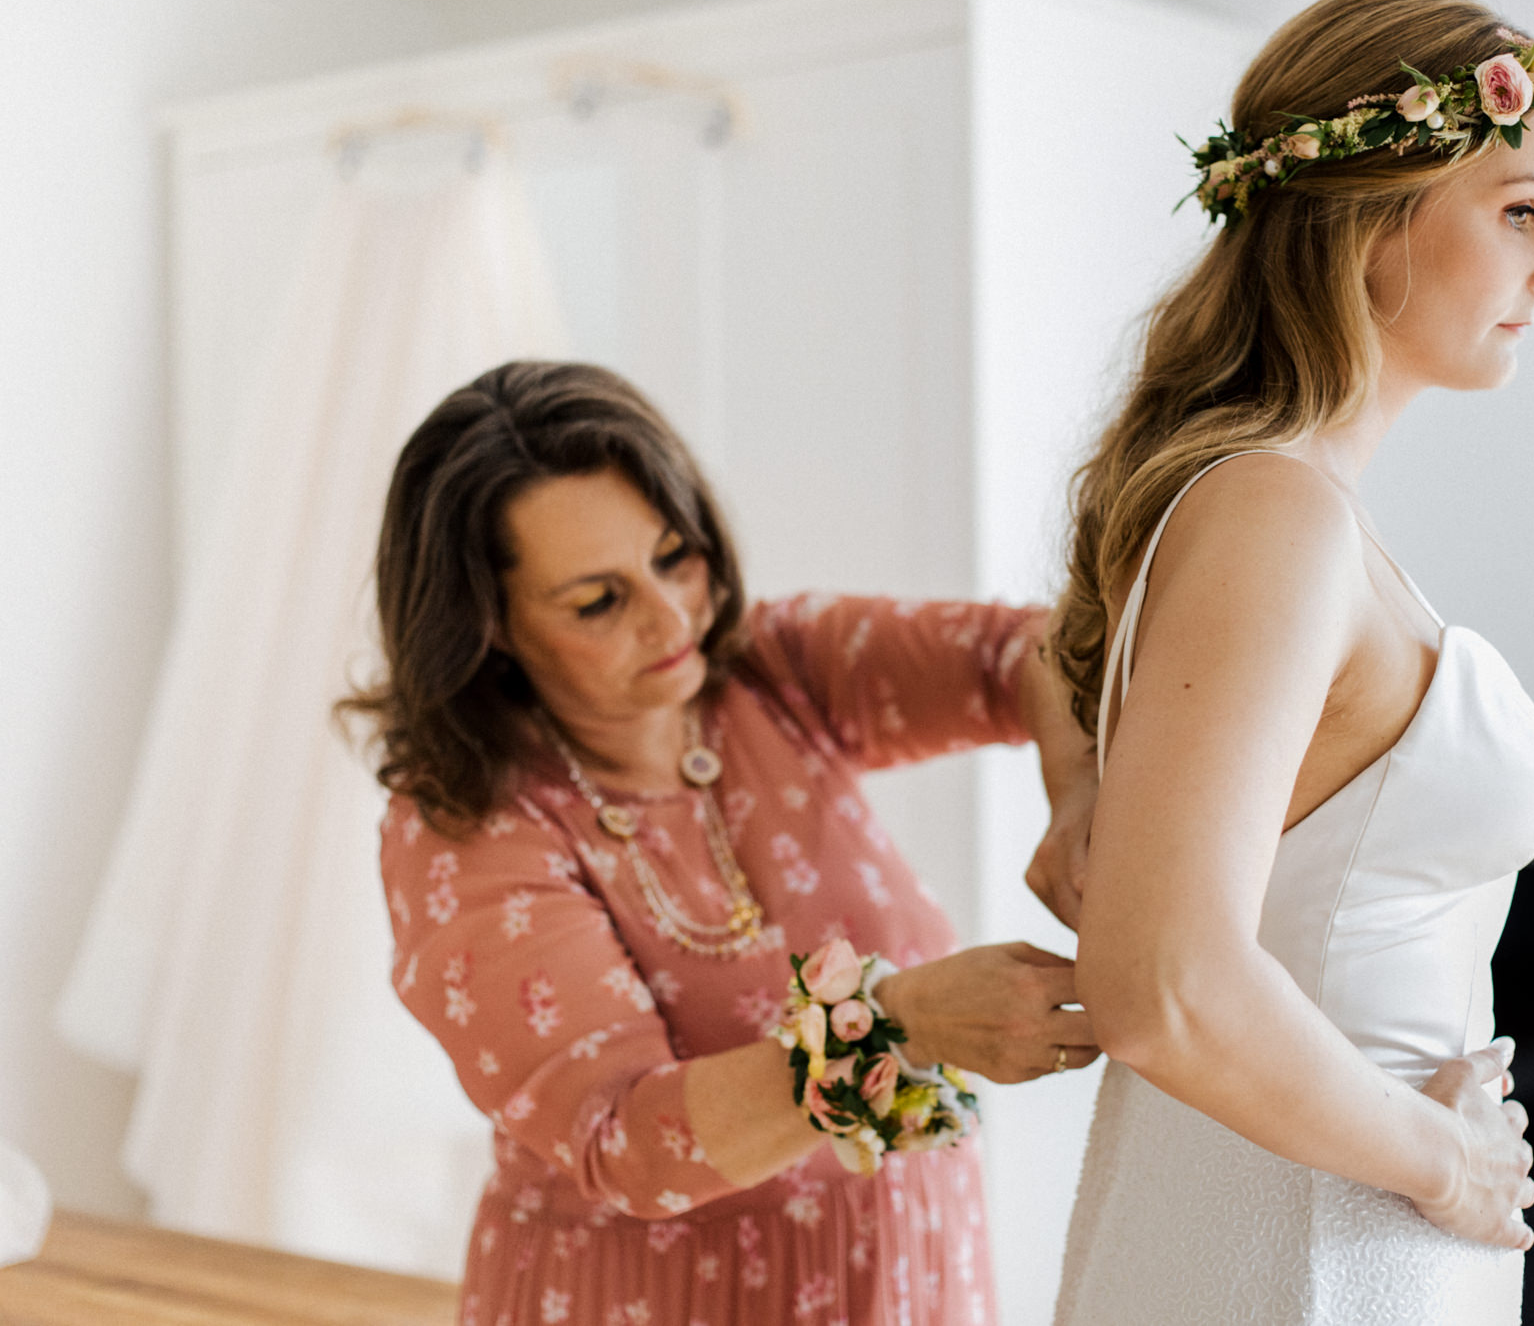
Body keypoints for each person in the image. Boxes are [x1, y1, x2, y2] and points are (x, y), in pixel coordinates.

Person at [1045, 0, 1534, 1321]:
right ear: (1372, 215)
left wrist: (1079, 780)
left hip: (1331, 1228)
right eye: (1523, 209)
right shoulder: (1274, 512)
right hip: (1309, 1248)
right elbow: (1163, 986)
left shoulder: (1282, 511)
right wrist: (1456, 1165)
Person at [340, 360, 1099, 1326]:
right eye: (597, 601)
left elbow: (1039, 651)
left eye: (674, 553)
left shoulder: (768, 670)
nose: (672, 615)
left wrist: (1074, 793)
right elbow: (627, 1141)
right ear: (488, 627)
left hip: (901, 1271)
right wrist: (900, 1026)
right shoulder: (466, 831)